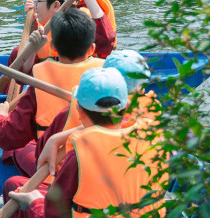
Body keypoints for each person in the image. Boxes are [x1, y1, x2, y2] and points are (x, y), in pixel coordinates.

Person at [3, 67, 165, 218]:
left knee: (23, 196)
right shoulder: (155, 137)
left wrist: (35, 202)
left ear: (78, 109)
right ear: (126, 106)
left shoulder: (79, 154)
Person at [0, 8, 103, 175]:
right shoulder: (106, 73)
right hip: (99, 165)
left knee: (15, 155)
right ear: (92, 48)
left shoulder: (41, 80)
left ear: (53, 47)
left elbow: (9, 136)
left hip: (56, 170)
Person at [36, 49, 160, 177]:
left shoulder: (76, 114)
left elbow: (43, 155)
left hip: (83, 182)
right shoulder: (153, 109)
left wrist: (56, 138)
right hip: (134, 183)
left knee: (18, 168)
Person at [8, 0, 115, 73]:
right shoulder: (43, 28)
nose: (35, 6)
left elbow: (106, 42)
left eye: (39, 0)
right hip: (52, 84)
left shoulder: (81, 25)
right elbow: (23, 76)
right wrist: (33, 48)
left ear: (55, 5)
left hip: (80, 86)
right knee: (17, 53)